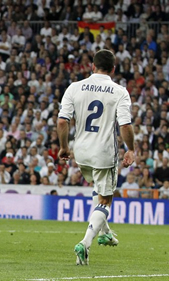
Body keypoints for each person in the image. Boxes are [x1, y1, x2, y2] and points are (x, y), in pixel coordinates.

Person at [57, 49, 135, 265]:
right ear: (113, 69)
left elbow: (63, 121)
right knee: (106, 199)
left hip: (81, 152)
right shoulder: (119, 91)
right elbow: (125, 125)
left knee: (97, 188)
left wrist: (64, 147)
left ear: (92, 66)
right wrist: (130, 149)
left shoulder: (74, 87)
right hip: (103, 153)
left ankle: (105, 232)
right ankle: (86, 242)